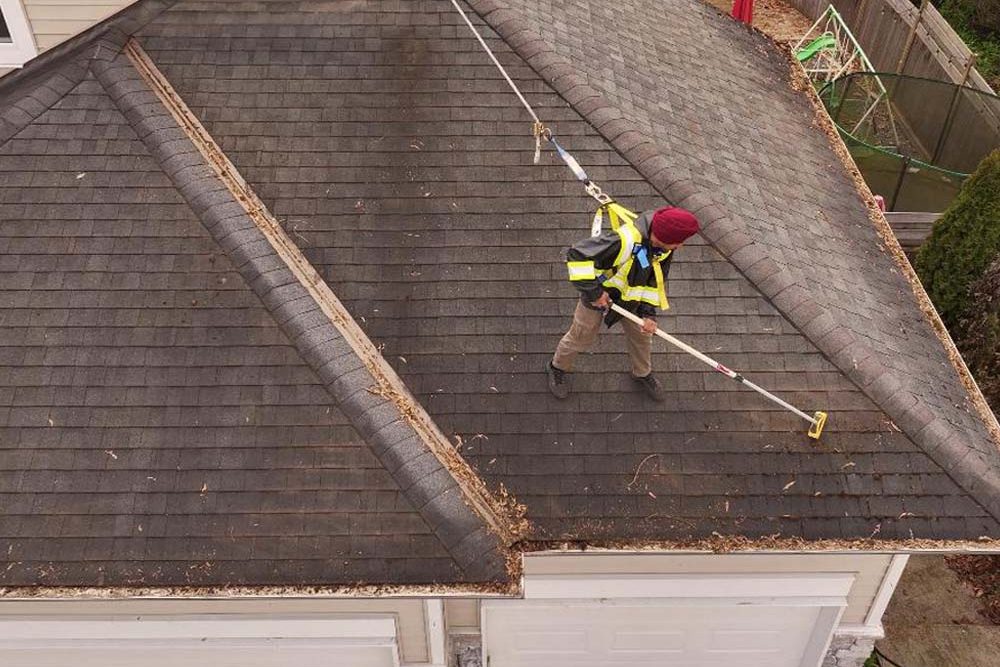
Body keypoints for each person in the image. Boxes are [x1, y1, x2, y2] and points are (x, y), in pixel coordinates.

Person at [546, 206, 700, 401]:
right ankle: (557, 367)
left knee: (642, 337)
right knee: (581, 336)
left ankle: (642, 373)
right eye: (679, 242)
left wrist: (648, 314)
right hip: (598, 295)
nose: (680, 246)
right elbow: (577, 255)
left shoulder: (663, 250)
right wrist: (595, 293)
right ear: (663, 238)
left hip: (630, 301)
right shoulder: (623, 240)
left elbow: (653, 282)